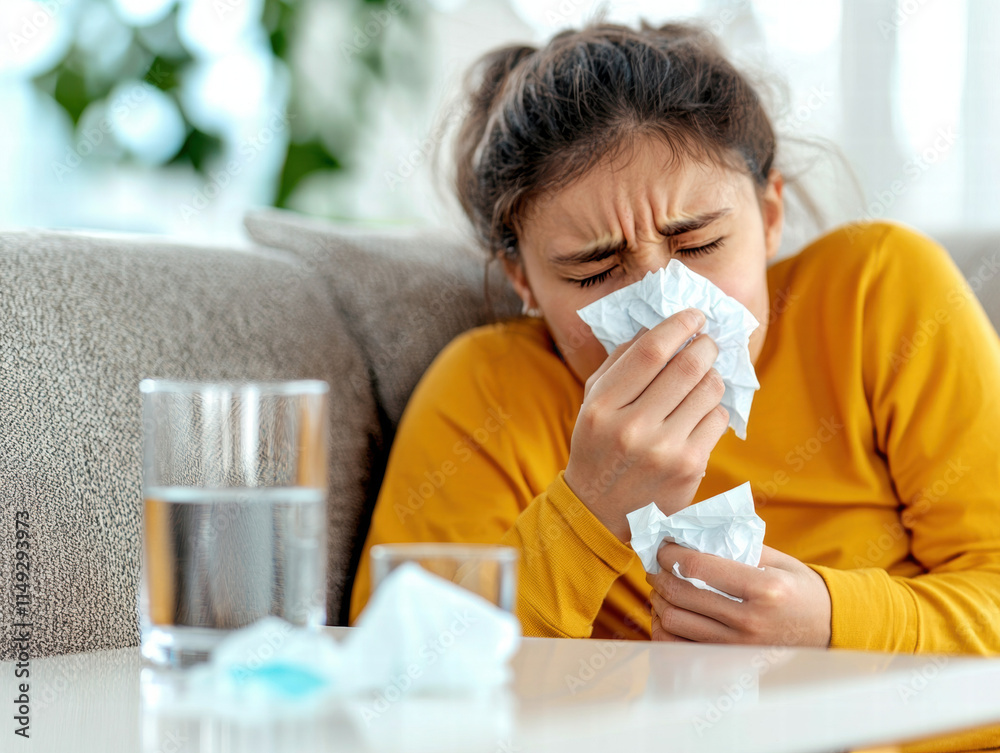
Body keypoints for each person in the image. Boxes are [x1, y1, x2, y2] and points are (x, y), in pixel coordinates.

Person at [350, 17, 999, 702]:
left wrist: (830, 624)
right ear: (522, 281)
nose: (664, 304)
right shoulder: (487, 392)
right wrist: (588, 510)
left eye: (697, 244)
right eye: (594, 270)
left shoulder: (878, 295)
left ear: (770, 214)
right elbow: (397, 688)